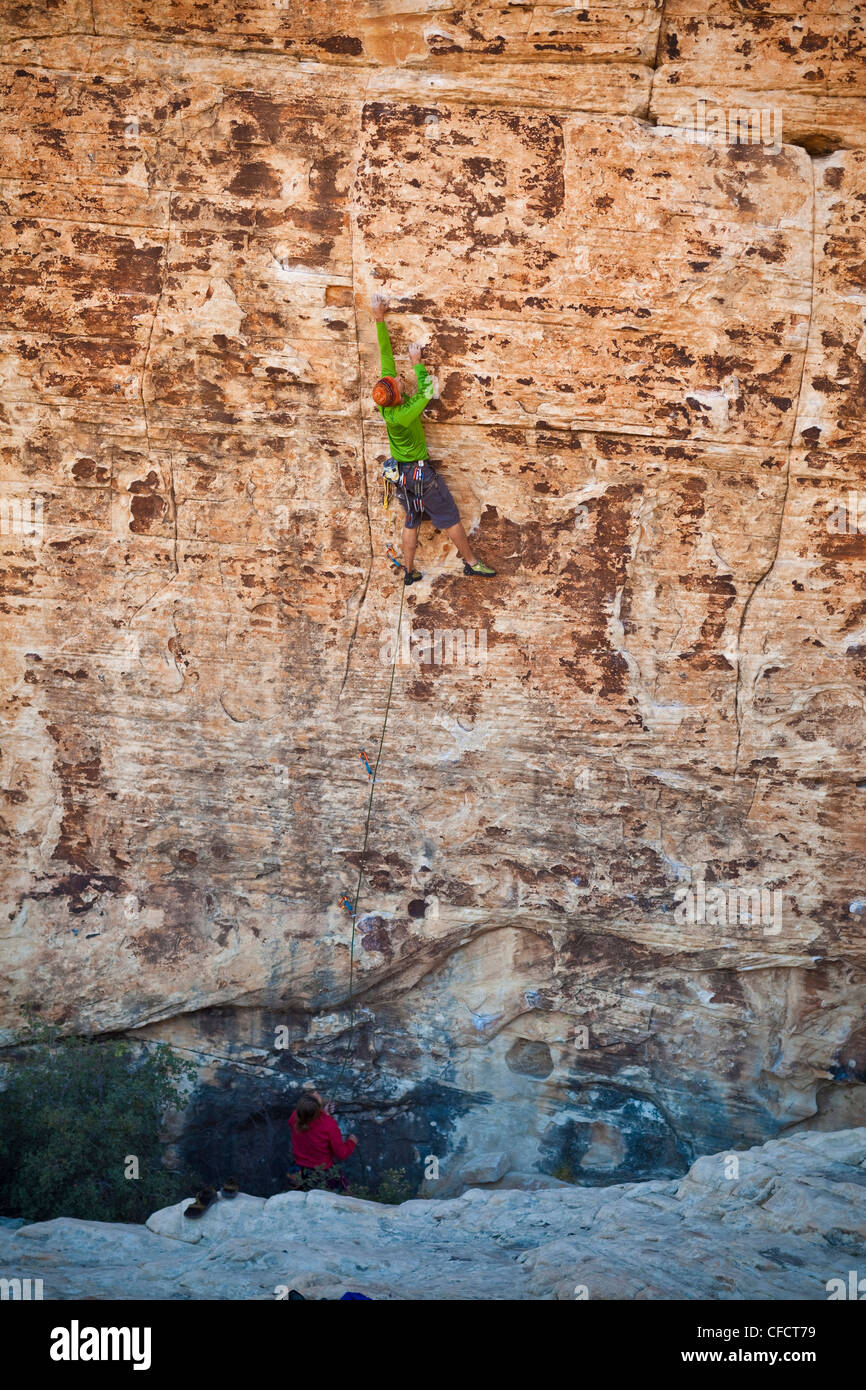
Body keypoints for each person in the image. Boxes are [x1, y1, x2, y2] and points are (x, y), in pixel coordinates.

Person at [371, 292, 496, 585]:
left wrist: (379, 318)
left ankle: (409, 570)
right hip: (420, 474)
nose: (398, 377)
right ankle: (471, 562)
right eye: (399, 381)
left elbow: (385, 357)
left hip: (401, 477)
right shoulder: (405, 413)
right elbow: (426, 392)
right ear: (397, 394)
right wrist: (417, 363)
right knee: (449, 516)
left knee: (412, 519)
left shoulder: (385, 403)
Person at [288, 1089, 358, 1191]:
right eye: (316, 1096)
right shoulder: (328, 1124)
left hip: (297, 1170)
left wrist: (323, 1113)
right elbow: (341, 1153)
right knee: (345, 1195)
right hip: (321, 1173)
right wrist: (352, 1142)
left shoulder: (294, 1116)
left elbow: (309, 1125)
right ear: (317, 1109)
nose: (316, 1092)